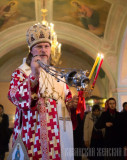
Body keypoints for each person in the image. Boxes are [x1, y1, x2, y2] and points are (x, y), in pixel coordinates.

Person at [8, 23, 78, 159]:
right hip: (32, 133)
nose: (43, 50)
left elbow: (67, 99)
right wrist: (34, 75)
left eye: (47, 46)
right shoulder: (21, 72)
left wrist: (72, 104)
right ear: (31, 50)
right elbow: (13, 95)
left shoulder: (57, 75)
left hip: (56, 136)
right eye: (39, 46)